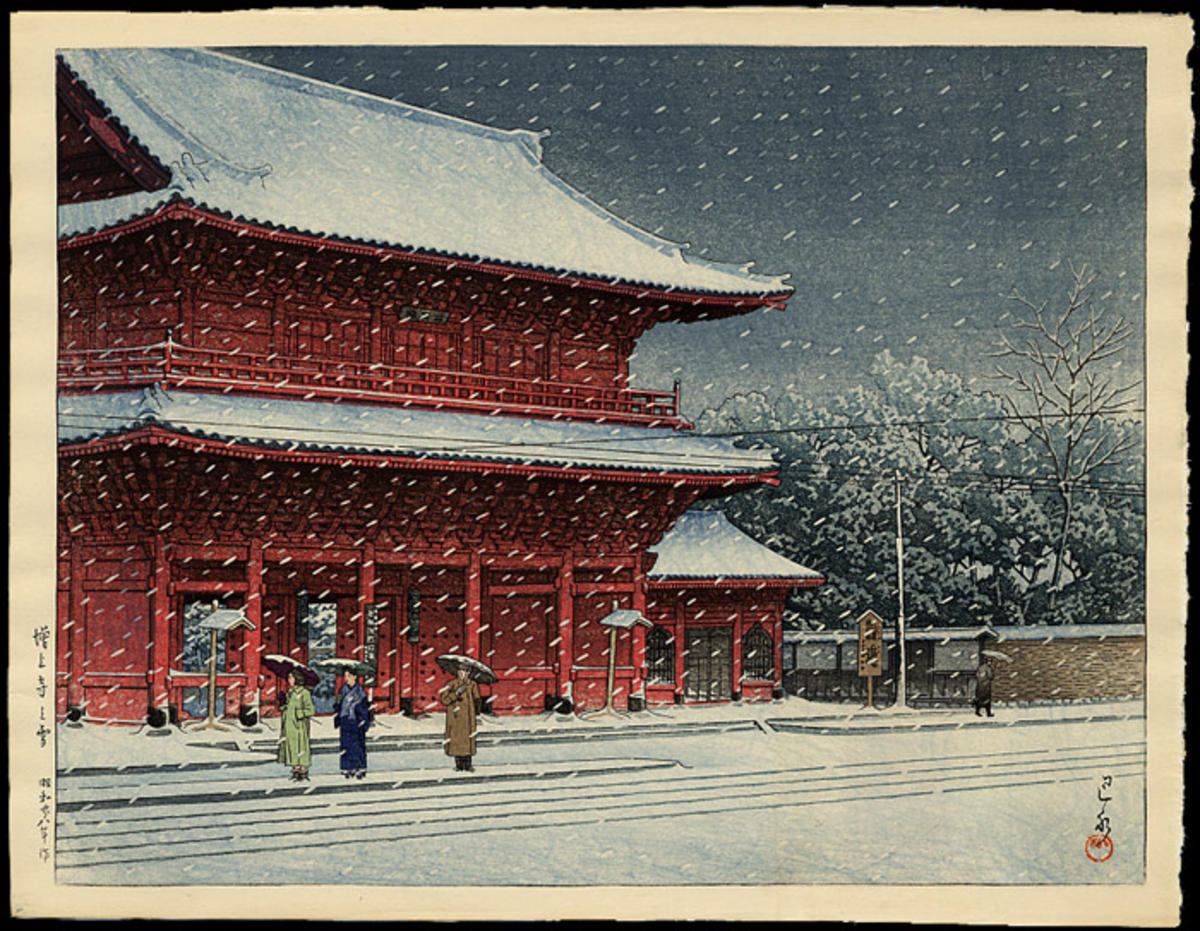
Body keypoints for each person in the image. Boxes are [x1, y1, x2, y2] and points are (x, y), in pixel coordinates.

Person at [439, 666, 481, 772]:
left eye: (466, 672)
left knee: (467, 741)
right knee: (457, 741)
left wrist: (476, 711)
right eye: (462, 671)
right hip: (455, 717)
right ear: (458, 672)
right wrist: (456, 694)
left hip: (468, 716)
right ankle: (458, 765)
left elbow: (477, 699)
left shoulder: (472, 685)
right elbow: (444, 700)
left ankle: (468, 764)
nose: (464, 674)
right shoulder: (451, 684)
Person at [333, 666, 370, 779]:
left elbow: (364, 706)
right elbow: (338, 704)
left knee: (357, 745)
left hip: (356, 720)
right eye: (345, 676)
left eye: (349, 676)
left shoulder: (360, 691)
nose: (346, 678)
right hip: (345, 719)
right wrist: (338, 707)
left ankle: (359, 767)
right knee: (345, 745)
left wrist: (361, 716)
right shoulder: (343, 690)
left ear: (355, 677)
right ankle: (347, 767)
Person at [278, 668, 315, 781]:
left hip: (299, 725)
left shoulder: (304, 693)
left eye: (291, 677)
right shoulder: (290, 692)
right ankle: (295, 770)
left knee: (300, 746)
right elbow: (288, 707)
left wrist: (299, 714)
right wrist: (282, 704)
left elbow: (310, 710)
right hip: (289, 724)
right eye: (289, 677)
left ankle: (303, 771)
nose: (289, 680)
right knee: (291, 747)